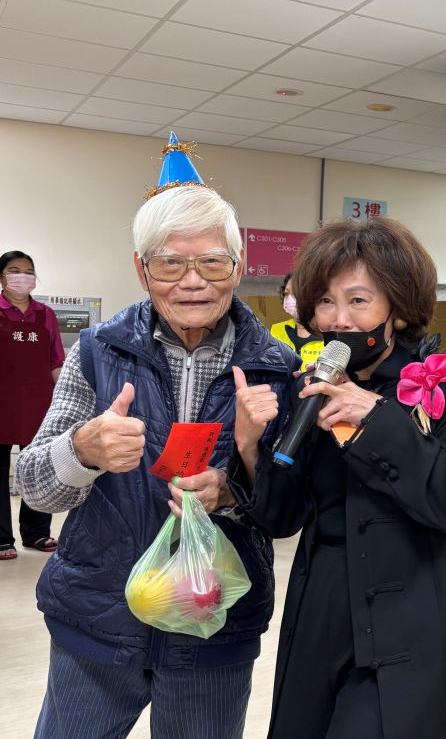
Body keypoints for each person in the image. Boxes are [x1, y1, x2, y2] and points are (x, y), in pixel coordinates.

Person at [16, 134, 297, 739]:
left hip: (213, 620)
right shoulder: (98, 352)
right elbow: (33, 486)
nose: (193, 281)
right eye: (170, 263)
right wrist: (82, 450)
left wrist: (235, 485)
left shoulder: (278, 368)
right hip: (98, 619)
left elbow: (288, 510)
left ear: (239, 265)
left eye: (212, 262)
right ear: (141, 269)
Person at [228, 217, 446, 738]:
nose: (340, 319)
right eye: (326, 302)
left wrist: (375, 416)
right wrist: (249, 444)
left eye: (358, 300)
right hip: (322, 609)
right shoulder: (312, 387)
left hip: (412, 610)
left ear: (399, 308)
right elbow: (281, 517)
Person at [0, 251, 63, 560]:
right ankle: (1, 538)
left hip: (39, 404)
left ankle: (36, 531)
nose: (22, 276)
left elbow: (55, 361)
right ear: (2, 277)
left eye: (28, 271)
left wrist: (63, 400)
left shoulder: (45, 314)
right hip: (1, 403)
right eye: (14, 270)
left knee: (37, 470)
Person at [270, 273, 323, 370]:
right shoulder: (277, 330)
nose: (290, 299)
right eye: (286, 293)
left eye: (296, 293)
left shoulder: (330, 334)